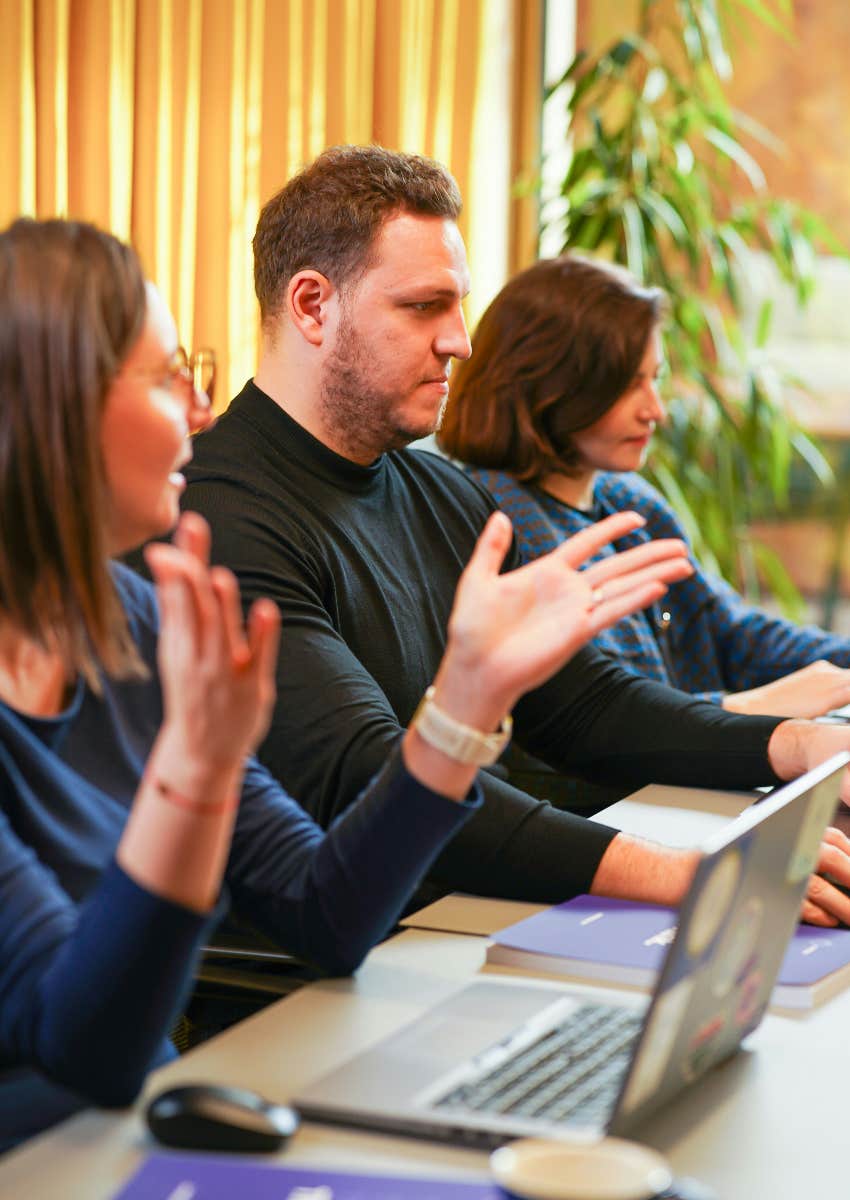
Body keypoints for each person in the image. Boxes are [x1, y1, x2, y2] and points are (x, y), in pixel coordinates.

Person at [0, 219, 684, 1148]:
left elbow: (325, 911)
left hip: (134, 1139)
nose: (201, 412)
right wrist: (194, 777)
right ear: (53, 410)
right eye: (168, 377)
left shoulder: (144, 621)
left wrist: (465, 706)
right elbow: (85, 1052)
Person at [183, 143, 850, 933]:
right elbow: (375, 779)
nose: (460, 341)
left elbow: (588, 708)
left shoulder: (438, 490)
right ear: (311, 306)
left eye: (459, 305)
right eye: (423, 307)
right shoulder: (220, 515)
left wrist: (799, 745)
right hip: (337, 970)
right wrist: (692, 875)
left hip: (468, 922)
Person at [437, 253, 850, 720]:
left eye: (654, 380)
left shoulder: (627, 498)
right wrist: (742, 709)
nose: (656, 411)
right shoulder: (494, 519)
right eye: (629, 385)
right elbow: (592, 726)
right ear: (551, 381)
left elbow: (728, 631)